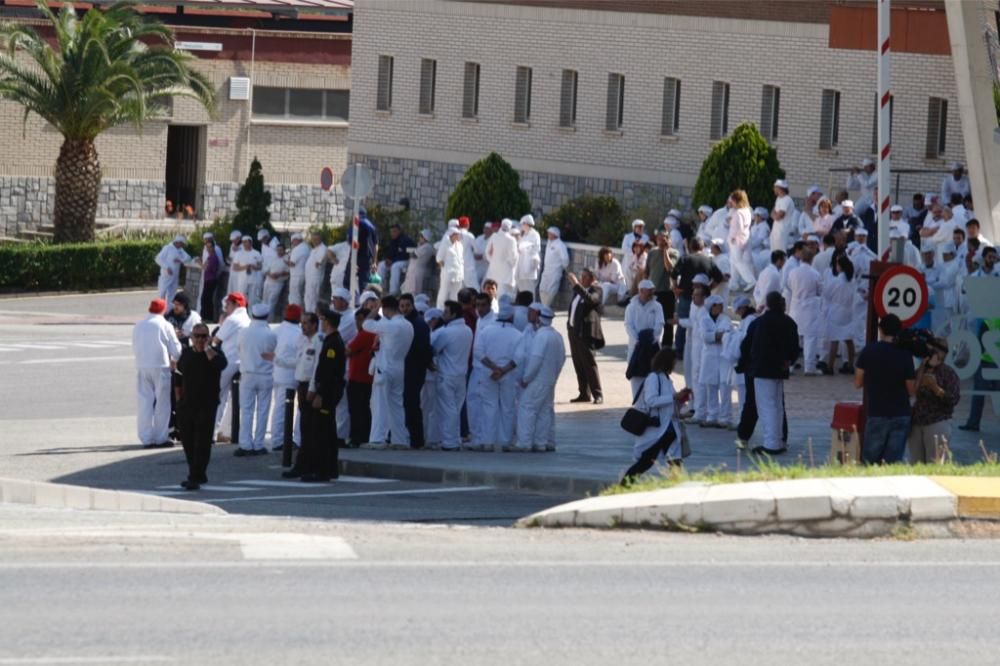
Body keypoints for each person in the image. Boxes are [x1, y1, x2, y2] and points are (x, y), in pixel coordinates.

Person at [620, 349, 693, 485]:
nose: (675, 365)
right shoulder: (653, 378)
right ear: (667, 362)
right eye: (673, 362)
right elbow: (651, 400)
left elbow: (671, 404)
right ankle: (624, 485)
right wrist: (673, 396)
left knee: (674, 460)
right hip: (658, 429)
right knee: (646, 462)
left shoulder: (666, 379)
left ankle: (677, 488)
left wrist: (681, 399)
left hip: (669, 429)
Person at [854, 314, 917, 464]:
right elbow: (911, 390)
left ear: (880, 330)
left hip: (877, 412)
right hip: (900, 413)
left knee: (870, 462)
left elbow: (857, 382)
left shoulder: (868, 351)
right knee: (893, 463)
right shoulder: (905, 355)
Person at [295, 307, 346, 482]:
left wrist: (319, 393)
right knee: (323, 431)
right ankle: (324, 469)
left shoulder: (332, 343)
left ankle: (322, 471)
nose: (321, 324)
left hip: (326, 393)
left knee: (322, 432)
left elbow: (327, 372)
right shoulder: (330, 341)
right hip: (324, 391)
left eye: (323, 321)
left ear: (327, 322)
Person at [175, 322, 227, 490]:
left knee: (202, 443)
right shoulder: (187, 354)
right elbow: (178, 376)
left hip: (207, 405)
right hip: (187, 405)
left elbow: (221, 365)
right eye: (197, 336)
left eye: (204, 336)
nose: (200, 340)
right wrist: (178, 400)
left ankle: (195, 477)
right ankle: (195, 473)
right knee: (188, 442)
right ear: (191, 337)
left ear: (209, 337)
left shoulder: (215, 354)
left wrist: (207, 348)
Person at [747, 291, 799, 455]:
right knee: (777, 406)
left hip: (763, 369)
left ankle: (771, 443)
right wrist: (788, 361)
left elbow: (759, 347)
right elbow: (794, 347)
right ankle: (778, 440)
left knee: (766, 406)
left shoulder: (762, 322)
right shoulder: (789, 322)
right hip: (780, 369)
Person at [362, 295, 414, 448]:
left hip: (384, 369)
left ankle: (377, 439)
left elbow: (366, 324)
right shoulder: (407, 325)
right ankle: (400, 440)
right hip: (399, 368)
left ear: (384, 309)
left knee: (379, 405)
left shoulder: (390, 326)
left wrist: (374, 309)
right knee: (396, 405)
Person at [132, 298, 182, 449]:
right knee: (162, 403)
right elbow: (176, 350)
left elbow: (134, 346)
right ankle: (161, 437)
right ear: (163, 310)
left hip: (142, 366)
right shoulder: (165, 325)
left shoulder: (139, 325)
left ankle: (146, 437)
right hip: (161, 366)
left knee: (144, 402)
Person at [514, 306, 565, 452]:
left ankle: (524, 443)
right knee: (544, 410)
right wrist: (554, 376)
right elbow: (561, 359)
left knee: (526, 407)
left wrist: (526, 378)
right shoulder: (557, 335)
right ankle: (542, 443)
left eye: (532, 313)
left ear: (538, 316)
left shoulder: (541, 336)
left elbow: (536, 360)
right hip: (549, 380)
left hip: (538, 379)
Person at [472, 303, 521, 450]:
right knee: (508, 407)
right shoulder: (518, 334)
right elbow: (520, 357)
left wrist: (494, 368)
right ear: (511, 316)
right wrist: (503, 370)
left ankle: (488, 441)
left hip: (489, 373)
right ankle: (505, 442)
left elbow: (478, 353)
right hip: (509, 374)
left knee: (489, 406)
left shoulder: (486, 331)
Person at [430, 300, 474, 450]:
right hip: (461, 375)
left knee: (448, 409)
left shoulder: (447, 332)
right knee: (455, 408)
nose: (443, 315)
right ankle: (455, 439)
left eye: (446, 312)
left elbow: (435, 349)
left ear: (453, 314)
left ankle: (449, 442)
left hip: (447, 375)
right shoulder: (468, 330)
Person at [908, 338, 961, 464]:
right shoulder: (919, 370)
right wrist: (922, 368)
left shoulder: (948, 373)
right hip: (916, 423)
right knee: (916, 465)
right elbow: (912, 391)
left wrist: (935, 388)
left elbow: (953, 399)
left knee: (935, 465)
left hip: (937, 422)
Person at [235, 303, 277, 456]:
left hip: (247, 374)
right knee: (263, 410)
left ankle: (245, 444)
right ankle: (259, 444)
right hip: (266, 375)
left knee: (246, 410)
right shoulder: (271, 334)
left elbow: (238, 350)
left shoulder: (243, 332)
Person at [212, 292, 251, 443]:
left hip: (228, 362)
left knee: (217, 397)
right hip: (242, 363)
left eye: (228, 304)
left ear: (236, 304)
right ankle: (228, 431)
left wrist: (221, 324)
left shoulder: (232, 319)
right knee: (235, 399)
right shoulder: (247, 319)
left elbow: (216, 340)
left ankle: (212, 432)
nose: (226, 307)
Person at [399, 293, 432, 449]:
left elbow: (422, 349)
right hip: (408, 369)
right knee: (408, 404)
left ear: (412, 306)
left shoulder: (418, 324)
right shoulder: (407, 322)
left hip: (413, 370)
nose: (404, 309)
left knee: (411, 404)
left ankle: (416, 439)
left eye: (407, 305)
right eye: (402, 306)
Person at [566, 269, 604, 404]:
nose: (581, 278)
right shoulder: (578, 292)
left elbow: (590, 300)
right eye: (580, 276)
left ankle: (597, 394)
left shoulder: (596, 290)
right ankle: (584, 393)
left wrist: (576, 285)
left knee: (589, 364)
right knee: (578, 363)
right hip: (574, 331)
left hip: (586, 333)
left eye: (584, 277)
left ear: (592, 278)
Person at [269, 304, 302, 452]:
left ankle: (278, 439)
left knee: (279, 408)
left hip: (277, 373)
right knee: (288, 409)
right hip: (292, 374)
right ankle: (284, 440)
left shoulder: (277, 330)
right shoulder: (299, 334)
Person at [624, 279, 665, 397]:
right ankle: (638, 405)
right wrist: (636, 340)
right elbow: (628, 325)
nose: (651, 293)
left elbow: (659, 324)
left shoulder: (657, 306)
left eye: (652, 290)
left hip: (652, 346)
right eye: (648, 291)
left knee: (653, 375)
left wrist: (653, 338)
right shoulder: (631, 307)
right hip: (636, 346)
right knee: (636, 376)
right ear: (641, 291)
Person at [787, 246, 823, 375]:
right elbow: (820, 291)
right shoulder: (815, 274)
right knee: (810, 339)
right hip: (810, 309)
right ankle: (809, 367)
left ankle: (790, 365)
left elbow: (789, 286)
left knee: (793, 339)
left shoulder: (793, 272)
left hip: (796, 307)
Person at [699, 295, 732, 428]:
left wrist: (715, 336)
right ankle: (712, 415)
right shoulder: (704, 319)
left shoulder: (726, 319)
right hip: (709, 357)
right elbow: (705, 337)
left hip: (723, 357)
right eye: (718, 305)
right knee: (710, 386)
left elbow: (727, 334)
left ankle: (725, 417)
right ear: (712, 306)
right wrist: (717, 335)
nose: (721, 307)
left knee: (725, 387)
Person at [345, 308, 376, 447]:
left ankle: (357, 438)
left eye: (360, 319)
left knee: (357, 410)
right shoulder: (371, 334)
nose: (358, 322)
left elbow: (347, 351)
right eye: (356, 319)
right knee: (364, 409)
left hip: (358, 378)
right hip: (366, 378)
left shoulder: (365, 334)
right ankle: (363, 436)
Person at [822, 254, 857, 375]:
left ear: (840, 267)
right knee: (848, 340)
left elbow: (826, 294)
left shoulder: (835, 281)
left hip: (836, 312)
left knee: (834, 340)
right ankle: (851, 365)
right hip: (848, 312)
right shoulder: (851, 281)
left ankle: (830, 366)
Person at [643, 232, 677, 347]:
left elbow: (670, 268)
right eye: (659, 240)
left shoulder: (674, 253)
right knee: (651, 320)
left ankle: (667, 348)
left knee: (668, 322)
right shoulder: (652, 253)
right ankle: (652, 344)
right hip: (654, 292)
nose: (662, 242)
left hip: (668, 292)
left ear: (669, 240)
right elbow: (646, 271)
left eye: (664, 240)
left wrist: (665, 252)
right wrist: (644, 287)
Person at [727, 189, 756, 290]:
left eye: (733, 201)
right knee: (734, 261)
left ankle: (751, 280)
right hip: (744, 238)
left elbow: (737, 227)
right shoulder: (747, 210)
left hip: (737, 240)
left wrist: (733, 238)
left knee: (738, 261)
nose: (732, 203)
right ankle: (733, 283)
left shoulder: (738, 212)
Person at [344, 208, 379, 290]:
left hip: (356, 257)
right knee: (364, 285)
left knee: (347, 283)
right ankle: (364, 302)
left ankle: (348, 302)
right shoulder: (372, 226)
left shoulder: (356, 223)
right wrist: (374, 262)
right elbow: (376, 246)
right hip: (368, 259)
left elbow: (351, 241)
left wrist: (354, 260)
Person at [484, 218, 518, 298]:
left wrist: (492, 260)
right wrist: (512, 266)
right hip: (505, 273)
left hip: (493, 271)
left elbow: (487, 252)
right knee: (503, 297)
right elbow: (513, 257)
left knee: (492, 295)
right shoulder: (511, 240)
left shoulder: (494, 236)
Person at [379, 224, 415, 295]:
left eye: (394, 231)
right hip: (395, 261)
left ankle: (393, 292)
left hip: (406, 261)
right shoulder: (393, 241)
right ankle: (379, 288)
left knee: (395, 266)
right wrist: (388, 259)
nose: (392, 234)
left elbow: (406, 255)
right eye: (391, 232)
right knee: (381, 265)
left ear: (399, 231)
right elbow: (390, 253)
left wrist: (393, 261)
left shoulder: (406, 240)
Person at [539, 227, 569, 307]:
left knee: (551, 289)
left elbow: (565, 259)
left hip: (555, 272)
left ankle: (546, 306)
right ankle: (543, 305)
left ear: (555, 235)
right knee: (542, 288)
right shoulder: (549, 243)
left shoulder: (560, 245)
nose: (548, 235)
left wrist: (565, 268)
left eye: (550, 233)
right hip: (546, 270)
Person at [155, 235, 191, 301]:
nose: (182, 246)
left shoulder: (180, 250)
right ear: (178, 242)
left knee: (172, 295)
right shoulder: (167, 248)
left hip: (175, 276)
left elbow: (188, 258)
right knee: (162, 294)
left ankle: (169, 310)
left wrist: (181, 260)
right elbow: (158, 259)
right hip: (166, 276)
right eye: (182, 244)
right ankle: (161, 310)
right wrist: (167, 268)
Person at [197, 235, 223, 321]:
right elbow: (204, 266)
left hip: (211, 280)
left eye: (210, 247)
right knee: (205, 299)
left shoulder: (214, 258)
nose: (208, 249)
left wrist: (199, 263)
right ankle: (205, 317)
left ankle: (208, 318)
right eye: (207, 247)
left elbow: (206, 268)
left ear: (213, 247)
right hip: (208, 280)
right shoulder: (209, 257)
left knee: (206, 300)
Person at [437, 228, 465, 309]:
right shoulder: (445, 244)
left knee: (455, 295)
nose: (458, 236)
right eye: (456, 234)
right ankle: (440, 309)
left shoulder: (460, 245)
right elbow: (439, 258)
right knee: (444, 294)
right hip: (448, 274)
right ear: (452, 235)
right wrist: (445, 268)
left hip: (458, 274)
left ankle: (454, 310)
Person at [401, 230, 435, 296]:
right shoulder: (422, 246)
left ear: (425, 238)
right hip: (413, 271)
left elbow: (414, 255)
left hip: (416, 271)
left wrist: (413, 252)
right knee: (409, 289)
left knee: (413, 290)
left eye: (421, 237)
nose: (419, 238)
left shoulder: (427, 247)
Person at [261, 243, 289, 320]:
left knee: (272, 302)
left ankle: (269, 320)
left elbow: (288, 272)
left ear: (284, 251)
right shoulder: (272, 258)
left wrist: (279, 274)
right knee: (264, 300)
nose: (279, 252)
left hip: (277, 283)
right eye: (278, 250)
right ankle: (262, 318)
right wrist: (270, 274)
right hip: (268, 281)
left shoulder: (286, 259)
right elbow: (265, 269)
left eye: (281, 250)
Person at [516, 214, 542, 295]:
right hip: (522, 265)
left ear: (527, 224)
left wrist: (521, 247)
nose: (522, 226)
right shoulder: (524, 235)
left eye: (523, 224)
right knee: (521, 286)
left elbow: (533, 248)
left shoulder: (534, 234)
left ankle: (531, 305)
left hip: (529, 265)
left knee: (529, 288)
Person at [770, 180, 797, 252]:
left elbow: (778, 216)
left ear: (780, 188)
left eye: (775, 187)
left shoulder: (787, 199)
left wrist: (774, 215)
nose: (773, 189)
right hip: (776, 230)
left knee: (780, 251)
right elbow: (772, 212)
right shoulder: (778, 199)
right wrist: (774, 215)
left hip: (782, 231)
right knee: (774, 251)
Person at [304, 231, 327, 313]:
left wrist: (320, 262)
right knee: (308, 297)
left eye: (316, 239)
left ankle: (312, 316)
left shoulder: (323, 248)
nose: (314, 241)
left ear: (320, 239)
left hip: (315, 278)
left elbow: (320, 262)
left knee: (313, 299)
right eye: (313, 239)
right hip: (309, 278)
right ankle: (308, 313)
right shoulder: (314, 249)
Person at [285, 233, 309, 307]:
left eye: (293, 241)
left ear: (296, 240)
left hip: (296, 275)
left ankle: (294, 311)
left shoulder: (298, 249)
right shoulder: (306, 247)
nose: (292, 243)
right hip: (302, 274)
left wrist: (285, 261)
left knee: (294, 295)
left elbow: (292, 263)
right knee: (298, 294)